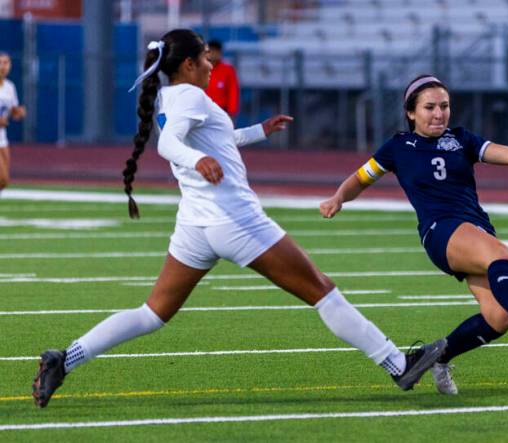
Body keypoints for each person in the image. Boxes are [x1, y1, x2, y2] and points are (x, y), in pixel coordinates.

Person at [31, 30, 444, 408]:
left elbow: (214, 137)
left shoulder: (169, 97)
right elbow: (173, 144)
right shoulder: (190, 97)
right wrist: (200, 159)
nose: (213, 66)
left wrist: (259, 131)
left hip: (195, 225)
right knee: (322, 291)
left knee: (151, 314)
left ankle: (64, 359)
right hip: (235, 220)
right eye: (206, 60)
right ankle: (397, 363)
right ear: (189, 65)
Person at [319, 74, 508, 395]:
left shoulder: (462, 139)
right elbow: (360, 178)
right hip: (441, 230)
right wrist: (339, 196)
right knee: (499, 255)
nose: (439, 113)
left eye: (444, 106)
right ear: (411, 113)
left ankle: (439, 359)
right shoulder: (398, 146)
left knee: (497, 317)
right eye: (429, 107)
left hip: (475, 229)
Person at [0, 51, 27, 192]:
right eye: (0, 63)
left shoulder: (10, 87)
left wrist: (19, 113)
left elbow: (12, 111)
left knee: (4, 182)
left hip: (2, 137)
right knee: (1, 176)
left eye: (6, 63)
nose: (3, 66)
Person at [204, 39, 239, 118]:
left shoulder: (228, 70)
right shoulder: (201, 69)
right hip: (204, 112)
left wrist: (232, 113)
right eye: (211, 51)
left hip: (222, 112)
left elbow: (233, 92)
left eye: (216, 51)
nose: (213, 54)